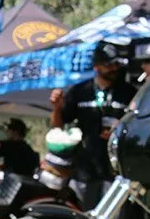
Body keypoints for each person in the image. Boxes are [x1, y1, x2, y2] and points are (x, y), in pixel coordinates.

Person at [50, 41, 136, 207]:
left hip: (116, 172)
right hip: (84, 171)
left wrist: (122, 127)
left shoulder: (129, 92)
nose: (114, 68)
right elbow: (57, 128)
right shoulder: (80, 91)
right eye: (109, 65)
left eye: (116, 63)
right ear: (96, 67)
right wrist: (56, 108)